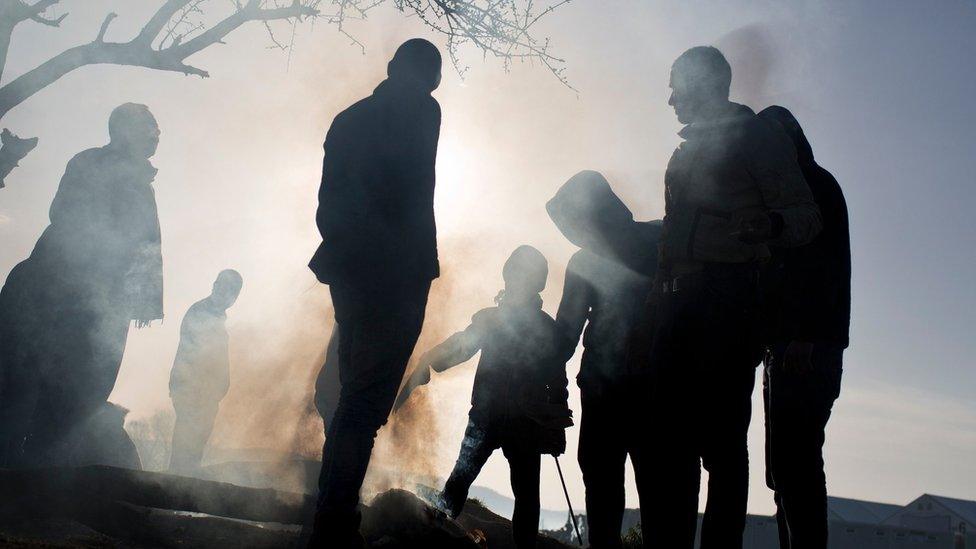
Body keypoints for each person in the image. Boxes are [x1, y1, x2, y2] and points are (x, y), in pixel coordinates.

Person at [638, 46, 823, 549]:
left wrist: (770, 225)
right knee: (667, 440)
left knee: (721, 445)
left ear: (705, 83)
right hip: (676, 309)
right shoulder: (686, 150)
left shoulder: (755, 137)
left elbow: (805, 216)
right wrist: (657, 301)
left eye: (677, 84)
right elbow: (671, 237)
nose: (670, 97)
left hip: (728, 304)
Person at [307, 38, 443, 547]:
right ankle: (334, 523)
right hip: (395, 276)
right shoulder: (423, 112)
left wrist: (346, 255)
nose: (431, 86)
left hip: (353, 271)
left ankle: (333, 514)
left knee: (353, 397)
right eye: (429, 74)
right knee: (363, 403)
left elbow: (329, 203)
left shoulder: (349, 119)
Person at [0, 103, 164, 468]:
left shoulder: (134, 177)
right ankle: (24, 472)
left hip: (104, 299)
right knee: (41, 383)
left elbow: (145, 245)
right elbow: (64, 214)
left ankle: (44, 474)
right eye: (150, 125)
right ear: (125, 130)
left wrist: (136, 299)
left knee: (82, 389)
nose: (157, 133)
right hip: (65, 289)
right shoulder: (91, 163)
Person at [395, 245, 571, 549]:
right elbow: (556, 379)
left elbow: (556, 379)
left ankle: (434, 536)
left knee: (474, 485)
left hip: (504, 419)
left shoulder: (503, 322)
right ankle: (437, 535)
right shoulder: (539, 327)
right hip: (507, 419)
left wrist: (428, 360)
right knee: (513, 493)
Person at [546, 170, 660, 548]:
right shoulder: (659, 240)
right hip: (627, 389)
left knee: (607, 486)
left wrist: (540, 360)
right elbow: (565, 335)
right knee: (641, 488)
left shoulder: (658, 243)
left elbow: (565, 335)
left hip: (629, 390)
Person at [758, 106, 851, 549]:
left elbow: (827, 269)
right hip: (785, 348)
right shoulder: (793, 191)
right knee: (784, 469)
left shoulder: (815, 188)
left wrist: (807, 336)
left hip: (806, 350)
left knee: (796, 465)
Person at [168, 269, 244, 474]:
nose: (223, 292)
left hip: (203, 394)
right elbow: (198, 357)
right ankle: (177, 491)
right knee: (186, 450)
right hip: (193, 392)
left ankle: (181, 490)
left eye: (230, 290)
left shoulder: (215, 315)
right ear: (216, 286)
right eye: (221, 286)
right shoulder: (201, 313)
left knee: (192, 452)